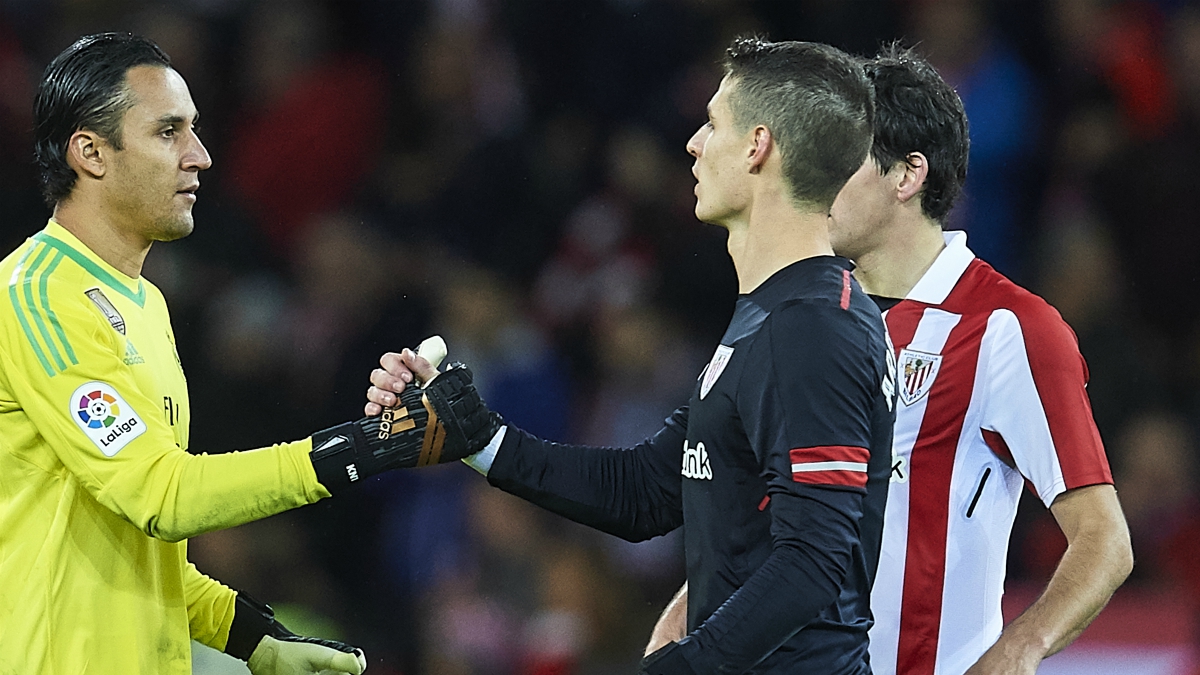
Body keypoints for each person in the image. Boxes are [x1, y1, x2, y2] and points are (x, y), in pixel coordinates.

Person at [368, 37, 896, 674]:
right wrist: (478, 438)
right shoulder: (773, 318)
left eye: (712, 124)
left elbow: (813, 563)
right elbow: (645, 490)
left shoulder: (818, 327)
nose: (694, 144)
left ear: (758, 146)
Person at [1, 32, 494, 675]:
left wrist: (254, 640)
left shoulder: (144, 304)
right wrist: (361, 448)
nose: (201, 156)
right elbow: (163, 495)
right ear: (91, 153)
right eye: (168, 132)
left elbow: (150, 551)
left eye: (195, 131)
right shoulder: (37, 298)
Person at [643, 44, 1134, 675]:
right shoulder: (801, 316)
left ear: (907, 176)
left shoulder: (1005, 328)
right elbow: (778, 520)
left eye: (842, 158)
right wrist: (685, 616)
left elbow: (1104, 541)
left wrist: (1017, 650)